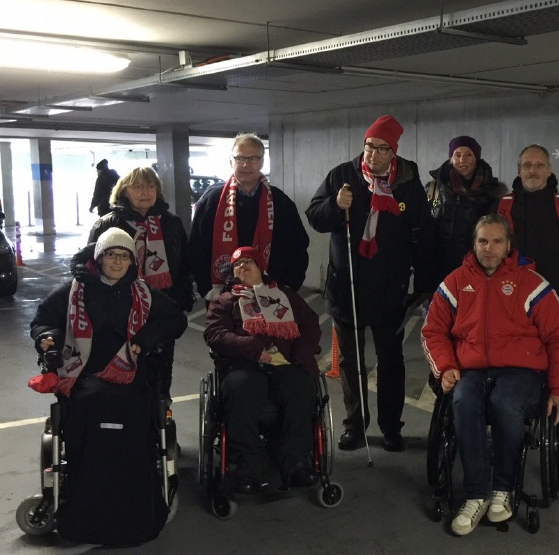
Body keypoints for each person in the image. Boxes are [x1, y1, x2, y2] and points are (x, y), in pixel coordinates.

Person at [422, 215, 559, 536]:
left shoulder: (532, 284)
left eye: (496, 242)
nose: (488, 249)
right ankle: (477, 493)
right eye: (482, 241)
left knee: (506, 402)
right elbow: (433, 330)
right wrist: (446, 366)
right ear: (473, 244)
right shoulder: (454, 283)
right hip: (471, 369)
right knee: (462, 400)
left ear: (508, 246)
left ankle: (503, 489)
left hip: (522, 370)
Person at [306, 115, 436, 453]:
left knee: (391, 361)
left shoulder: (407, 183)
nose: (373, 155)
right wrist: (335, 205)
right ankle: (354, 424)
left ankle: (391, 427)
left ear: (394, 152)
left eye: (381, 149)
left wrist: (422, 284)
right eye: (369, 146)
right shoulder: (343, 176)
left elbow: (422, 235)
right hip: (346, 285)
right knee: (350, 362)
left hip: (389, 289)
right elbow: (315, 216)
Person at [498, 144, 559, 476]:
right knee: (505, 370)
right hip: (506, 311)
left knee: (558, 374)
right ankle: (508, 433)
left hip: (553, 309)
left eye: (538, 165)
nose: (532, 171)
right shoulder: (501, 208)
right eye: (526, 166)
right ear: (518, 170)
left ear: (549, 169)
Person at [204, 247, 322, 494]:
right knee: (242, 388)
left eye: (248, 262)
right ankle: (249, 465)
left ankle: (295, 462)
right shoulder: (225, 300)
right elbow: (215, 334)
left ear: (261, 267)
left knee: (300, 387)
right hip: (244, 364)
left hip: (285, 363)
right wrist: (252, 348)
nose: (242, 267)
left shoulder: (285, 295)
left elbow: (310, 324)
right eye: (237, 264)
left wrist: (300, 355)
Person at [30, 227, 188, 396]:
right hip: (82, 369)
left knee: (139, 403)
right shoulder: (70, 290)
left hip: (129, 366)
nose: (118, 262)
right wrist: (50, 336)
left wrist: (144, 339)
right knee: (89, 399)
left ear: (131, 261)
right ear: (99, 258)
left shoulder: (143, 293)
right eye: (111, 254)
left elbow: (175, 319)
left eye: (124, 256)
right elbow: (43, 321)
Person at [87, 165, 194, 401]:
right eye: (137, 186)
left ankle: (161, 430)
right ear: (124, 190)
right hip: (119, 311)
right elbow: (90, 269)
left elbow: (185, 263)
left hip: (160, 311)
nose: (145, 192)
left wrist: (181, 301)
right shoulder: (107, 224)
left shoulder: (171, 223)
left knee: (160, 376)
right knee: (118, 374)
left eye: (150, 186)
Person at [189, 133, 309, 301]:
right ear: (231, 161)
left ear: (262, 161)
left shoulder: (279, 200)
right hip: (222, 294)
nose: (246, 164)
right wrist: (206, 289)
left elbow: (298, 245)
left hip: (272, 292)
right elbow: (196, 247)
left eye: (253, 159)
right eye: (240, 158)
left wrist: (290, 285)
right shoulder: (212, 200)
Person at [426, 135, 507, 277]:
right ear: (451, 159)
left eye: (468, 155)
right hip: (437, 269)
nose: (462, 160)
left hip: (476, 270)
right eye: (457, 155)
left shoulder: (492, 192)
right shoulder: (434, 188)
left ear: (476, 159)